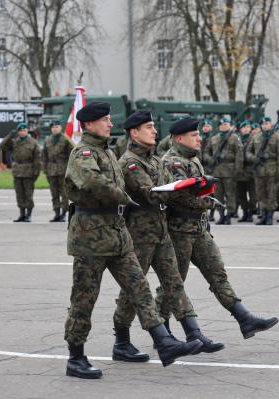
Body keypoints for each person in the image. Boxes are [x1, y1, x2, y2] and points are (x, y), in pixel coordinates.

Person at [63, 102, 202, 379]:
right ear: (89, 125)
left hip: (117, 232)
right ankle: (75, 357)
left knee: (139, 287)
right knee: (84, 298)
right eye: (104, 120)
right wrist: (124, 197)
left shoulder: (108, 152)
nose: (110, 123)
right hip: (91, 236)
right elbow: (92, 182)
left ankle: (162, 342)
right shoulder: (83, 153)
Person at [113, 111, 223, 362]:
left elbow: (166, 189)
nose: (154, 131)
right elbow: (151, 194)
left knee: (174, 283)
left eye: (153, 126)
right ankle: (121, 341)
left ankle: (194, 334)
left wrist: (190, 188)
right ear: (134, 133)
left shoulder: (152, 161)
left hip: (161, 231)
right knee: (133, 290)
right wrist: (186, 188)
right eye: (149, 127)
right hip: (140, 234)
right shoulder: (130, 163)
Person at [158, 117, 279, 339]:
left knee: (218, 275)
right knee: (173, 282)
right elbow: (179, 195)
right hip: (179, 231)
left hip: (199, 229)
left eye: (198, 134)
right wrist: (208, 201)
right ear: (179, 138)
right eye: (193, 135)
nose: (199, 138)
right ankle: (163, 333)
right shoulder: (172, 161)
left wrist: (205, 197)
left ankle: (245, 319)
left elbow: (197, 190)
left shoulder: (192, 160)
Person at [246, 116, 279, 225]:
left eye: (267, 123)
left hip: (272, 170)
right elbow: (248, 152)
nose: (265, 125)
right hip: (259, 171)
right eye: (263, 124)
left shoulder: (277, 137)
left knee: (271, 194)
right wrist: (254, 158)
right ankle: (263, 215)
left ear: (270, 124)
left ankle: (269, 217)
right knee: (260, 194)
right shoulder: (256, 137)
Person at [0, 123, 41, 222]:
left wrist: (36, 173)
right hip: (17, 171)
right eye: (20, 131)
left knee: (28, 194)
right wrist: (10, 135)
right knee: (19, 194)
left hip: (29, 171)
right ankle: (22, 214)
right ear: (18, 132)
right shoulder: (15, 141)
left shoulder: (33, 142)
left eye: (24, 130)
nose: (22, 132)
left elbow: (37, 159)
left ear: (27, 131)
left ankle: (29, 215)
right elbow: (2, 146)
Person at [206, 117, 243, 224]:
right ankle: (221, 215)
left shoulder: (235, 138)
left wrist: (237, 169)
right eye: (221, 125)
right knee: (218, 194)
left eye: (226, 124)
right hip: (217, 170)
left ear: (230, 126)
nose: (223, 126)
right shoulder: (214, 138)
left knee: (230, 194)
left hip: (230, 170)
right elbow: (206, 152)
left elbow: (239, 155)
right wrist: (211, 159)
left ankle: (229, 215)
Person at [42, 121, 74, 222]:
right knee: (54, 193)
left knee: (64, 193)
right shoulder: (48, 140)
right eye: (53, 127)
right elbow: (44, 155)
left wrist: (70, 169)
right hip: (51, 170)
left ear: (60, 128)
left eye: (57, 126)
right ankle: (56, 213)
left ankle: (64, 213)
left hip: (63, 169)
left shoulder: (66, 139)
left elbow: (71, 155)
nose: (55, 128)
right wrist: (45, 169)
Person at [236, 120, 256, 222]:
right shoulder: (236, 139)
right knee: (241, 195)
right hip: (239, 171)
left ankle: (251, 213)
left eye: (248, 127)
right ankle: (245, 213)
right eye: (244, 127)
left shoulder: (255, 139)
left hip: (250, 171)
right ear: (241, 129)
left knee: (253, 195)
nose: (246, 129)